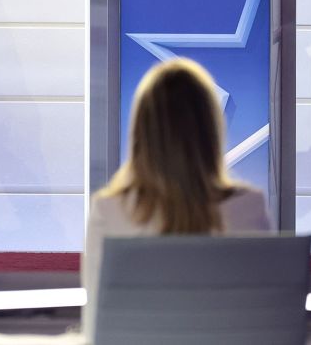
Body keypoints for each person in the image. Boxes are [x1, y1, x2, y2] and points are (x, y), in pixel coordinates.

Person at [80, 57, 271, 339]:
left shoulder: (109, 211)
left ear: (141, 131)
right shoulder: (248, 207)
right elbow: (260, 325)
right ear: (211, 129)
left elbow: (98, 325)